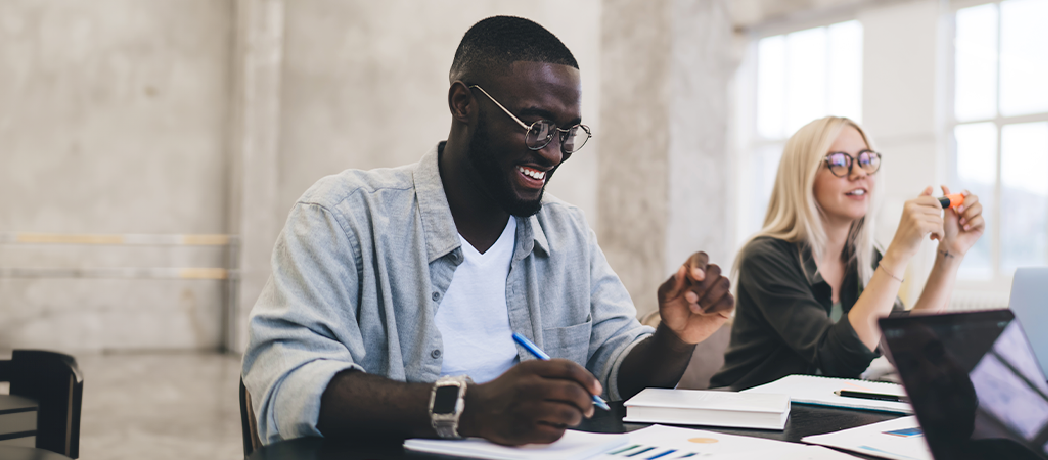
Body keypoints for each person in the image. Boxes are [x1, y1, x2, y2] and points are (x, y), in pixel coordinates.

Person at [240, 16, 734, 446]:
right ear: (463, 104)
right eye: (535, 124)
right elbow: (289, 383)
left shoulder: (567, 233)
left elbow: (614, 368)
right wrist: (468, 409)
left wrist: (674, 339)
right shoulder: (344, 217)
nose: (554, 151)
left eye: (567, 133)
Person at [710, 116, 986, 391]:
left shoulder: (865, 258)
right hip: (750, 421)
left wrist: (950, 253)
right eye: (839, 162)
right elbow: (837, 359)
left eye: (866, 160)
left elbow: (912, 349)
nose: (859, 173)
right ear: (803, 177)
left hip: (821, 417)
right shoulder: (764, 257)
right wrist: (899, 252)